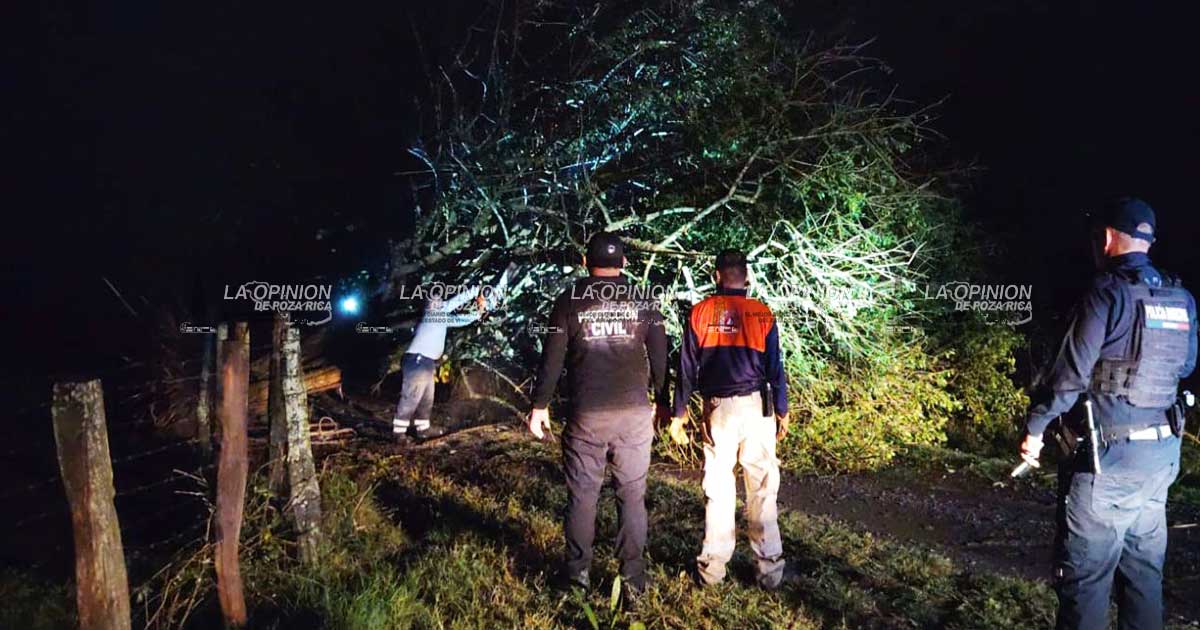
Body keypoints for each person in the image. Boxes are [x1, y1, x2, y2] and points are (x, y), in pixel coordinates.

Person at [1019, 197, 1196, 629]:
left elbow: (1069, 377)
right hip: (1159, 464)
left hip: (1107, 467)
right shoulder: (1181, 297)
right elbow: (1186, 367)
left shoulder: (1106, 293)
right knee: (1143, 581)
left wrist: (1036, 430)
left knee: (1086, 585)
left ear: (1106, 238)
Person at [527, 232, 670, 598]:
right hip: (634, 416)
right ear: (624, 263)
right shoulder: (643, 299)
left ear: (584, 262)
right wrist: (664, 401)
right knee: (632, 497)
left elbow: (552, 359)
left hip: (587, 416)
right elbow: (659, 356)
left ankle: (577, 579)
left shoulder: (569, 300)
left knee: (582, 497)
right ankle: (633, 582)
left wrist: (539, 405)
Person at [668, 249, 791, 589]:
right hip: (757, 408)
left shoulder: (700, 313)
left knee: (719, 489)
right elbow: (775, 369)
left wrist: (679, 414)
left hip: (718, 409)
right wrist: (782, 409)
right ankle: (770, 572)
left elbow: (687, 370)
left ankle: (712, 572)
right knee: (763, 490)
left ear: (716, 276)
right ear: (747, 277)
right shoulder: (762, 314)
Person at [393, 266, 512, 442]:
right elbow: (455, 302)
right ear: (430, 304)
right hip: (417, 361)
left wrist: (478, 313)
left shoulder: (441, 318)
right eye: (436, 299)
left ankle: (423, 429)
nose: (439, 301)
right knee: (411, 397)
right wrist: (475, 290)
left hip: (426, 363)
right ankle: (398, 434)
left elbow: (462, 319)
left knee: (426, 399)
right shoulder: (433, 314)